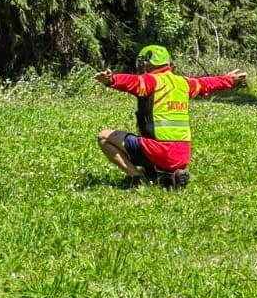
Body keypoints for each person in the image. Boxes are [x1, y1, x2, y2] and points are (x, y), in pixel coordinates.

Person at [94, 44, 247, 189]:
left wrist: (111, 80)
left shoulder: (150, 80)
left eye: (142, 63)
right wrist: (228, 80)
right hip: (182, 155)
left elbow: (131, 81)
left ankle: (137, 178)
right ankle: (171, 174)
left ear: (149, 63)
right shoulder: (184, 83)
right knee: (153, 158)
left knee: (104, 137)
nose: (141, 67)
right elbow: (207, 83)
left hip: (158, 151)